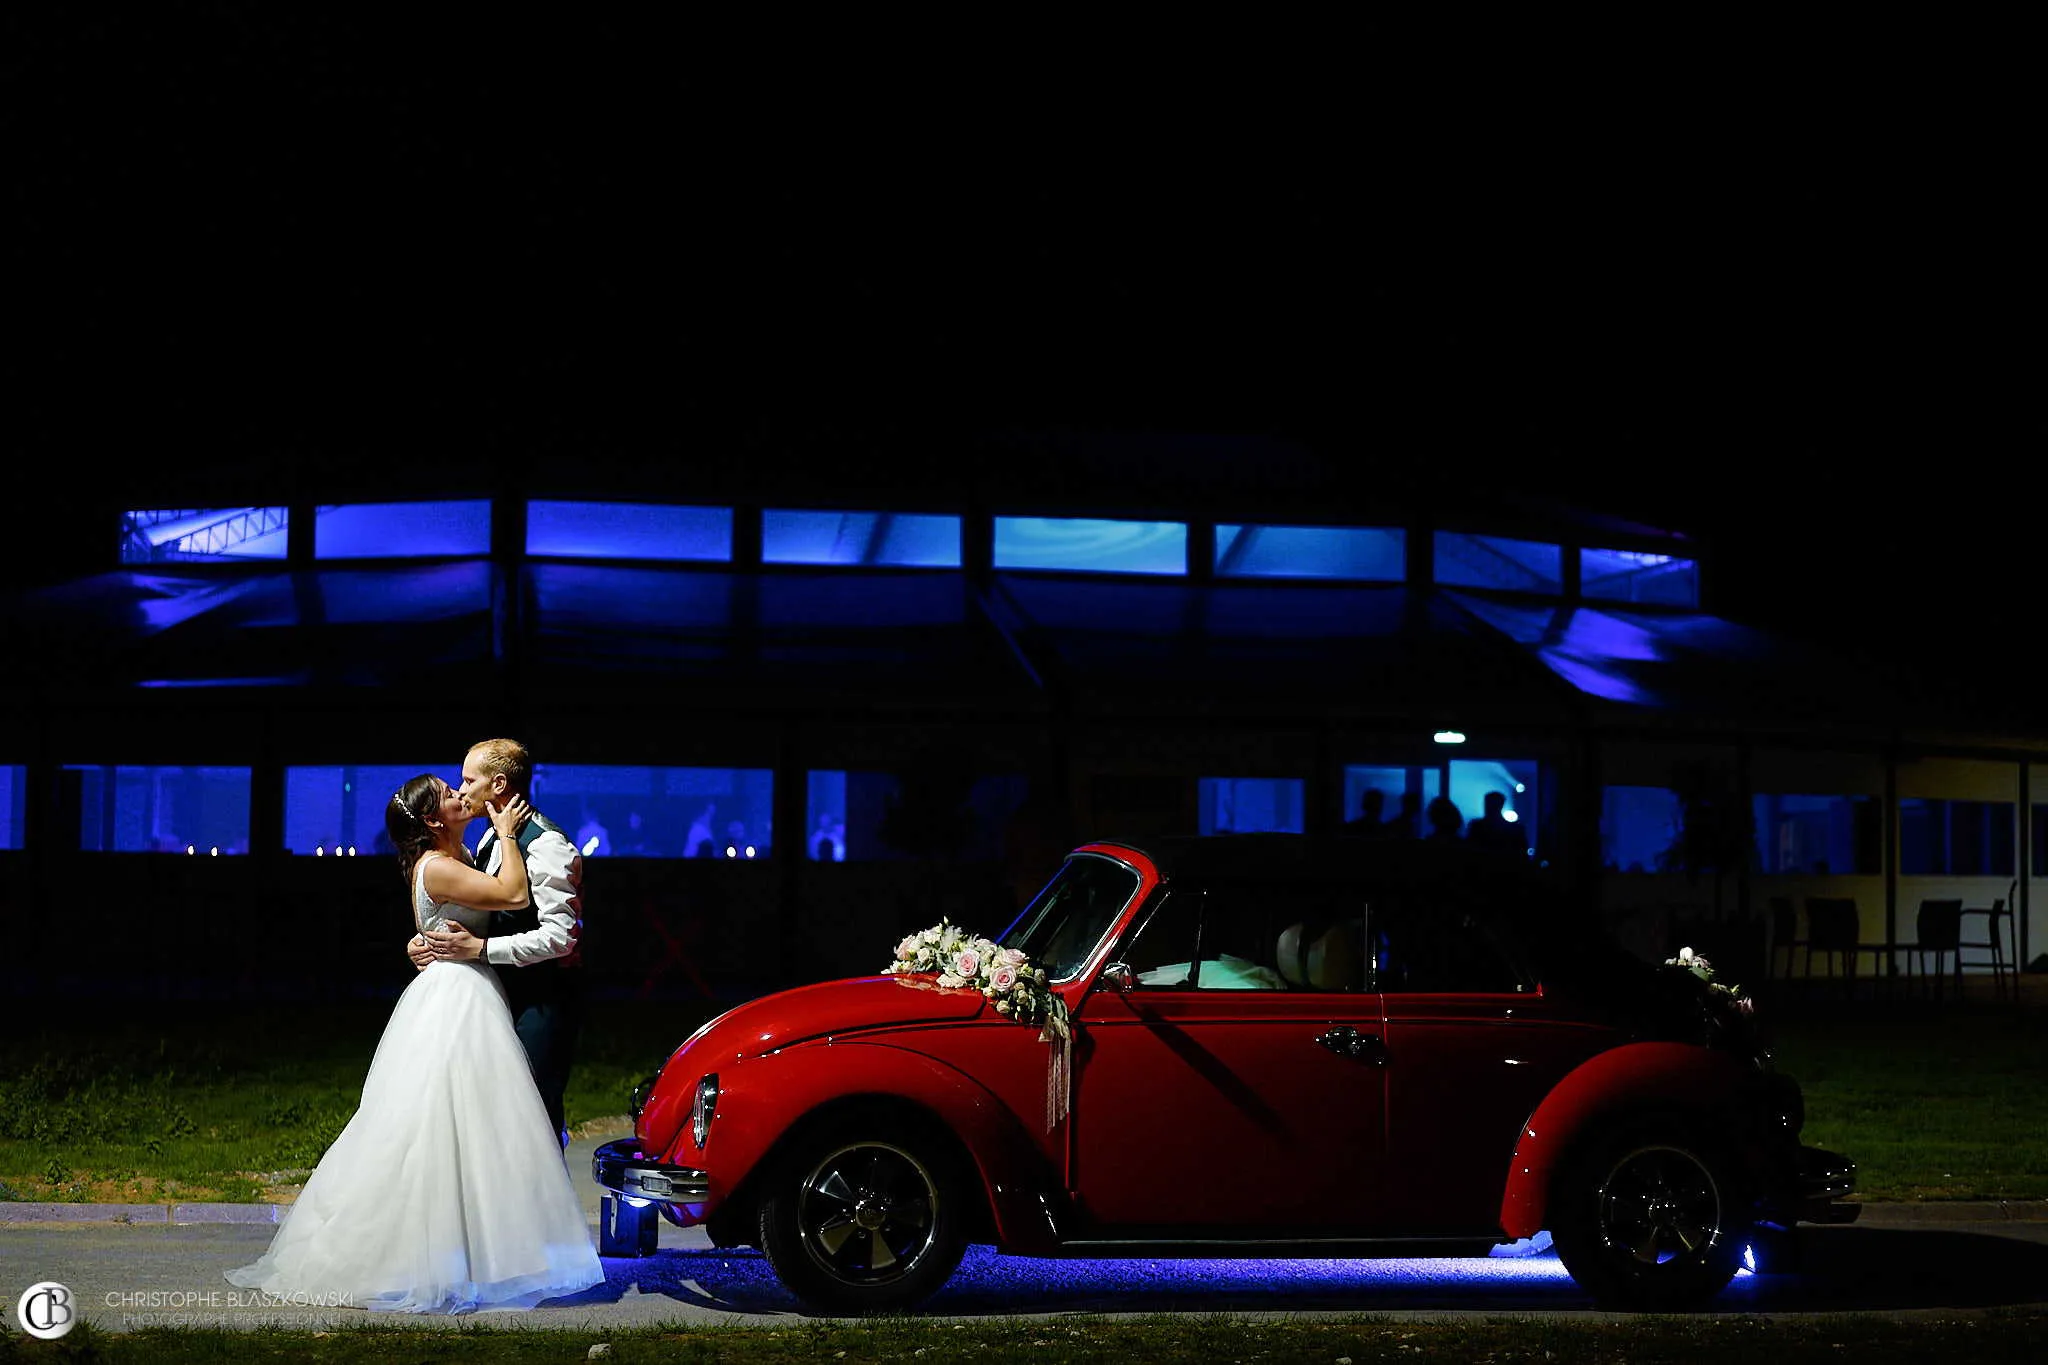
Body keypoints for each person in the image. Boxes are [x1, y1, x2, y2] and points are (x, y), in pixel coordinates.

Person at [226, 776, 603, 1313]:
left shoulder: (457, 855)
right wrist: (510, 836)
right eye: (450, 792)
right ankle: (419, 1252)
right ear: (432, 820)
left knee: (471, 1128)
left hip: (468, 988)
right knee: (435, 1124)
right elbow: (514, 895)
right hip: (456, 998)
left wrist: (428, 933)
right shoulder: (443, 863)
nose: (459, 794)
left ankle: (472, 1251)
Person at [409, 738, 585, 1148]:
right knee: (494, 1120)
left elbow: (562, 937)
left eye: (469, 780)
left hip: (543, 1000)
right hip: (499, 997)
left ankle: (543, 1210)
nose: (462, 789)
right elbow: (473, 909)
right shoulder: (491, 839)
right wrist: (428, 940)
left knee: (532, 1121)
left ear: (499, 784)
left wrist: (482, 950)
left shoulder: (546, 845)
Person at [1466, 790, 1526, 855]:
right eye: (1488, 804)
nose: (1488, 807)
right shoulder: (1515, 829)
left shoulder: (1476, 826)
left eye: (1492, 804)